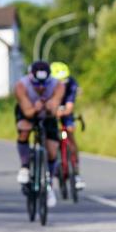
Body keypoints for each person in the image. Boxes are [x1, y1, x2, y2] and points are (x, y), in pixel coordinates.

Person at [14, 60, 65, 208]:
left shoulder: (58, 85)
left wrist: (50, 107)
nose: (41, 88)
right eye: (37, 85)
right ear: (31, 79)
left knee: (52, 149)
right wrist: (35, 108)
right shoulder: (21, 85)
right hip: (28, 111)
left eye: (44, 84)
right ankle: (24, 166)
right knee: (24, 130)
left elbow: (55, 108)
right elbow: (27, 111)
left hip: (47, 115)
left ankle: (48, 184)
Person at [50, 61, 85, 191]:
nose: (63, 84)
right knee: (49, 136)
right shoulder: (47, 86)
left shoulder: (72, 84)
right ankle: (51, 165)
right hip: (50, 110)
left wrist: (63, 113)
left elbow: (70, 106)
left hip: (65, 110)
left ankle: (75, 173)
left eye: (64, 81)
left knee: (69, 132)